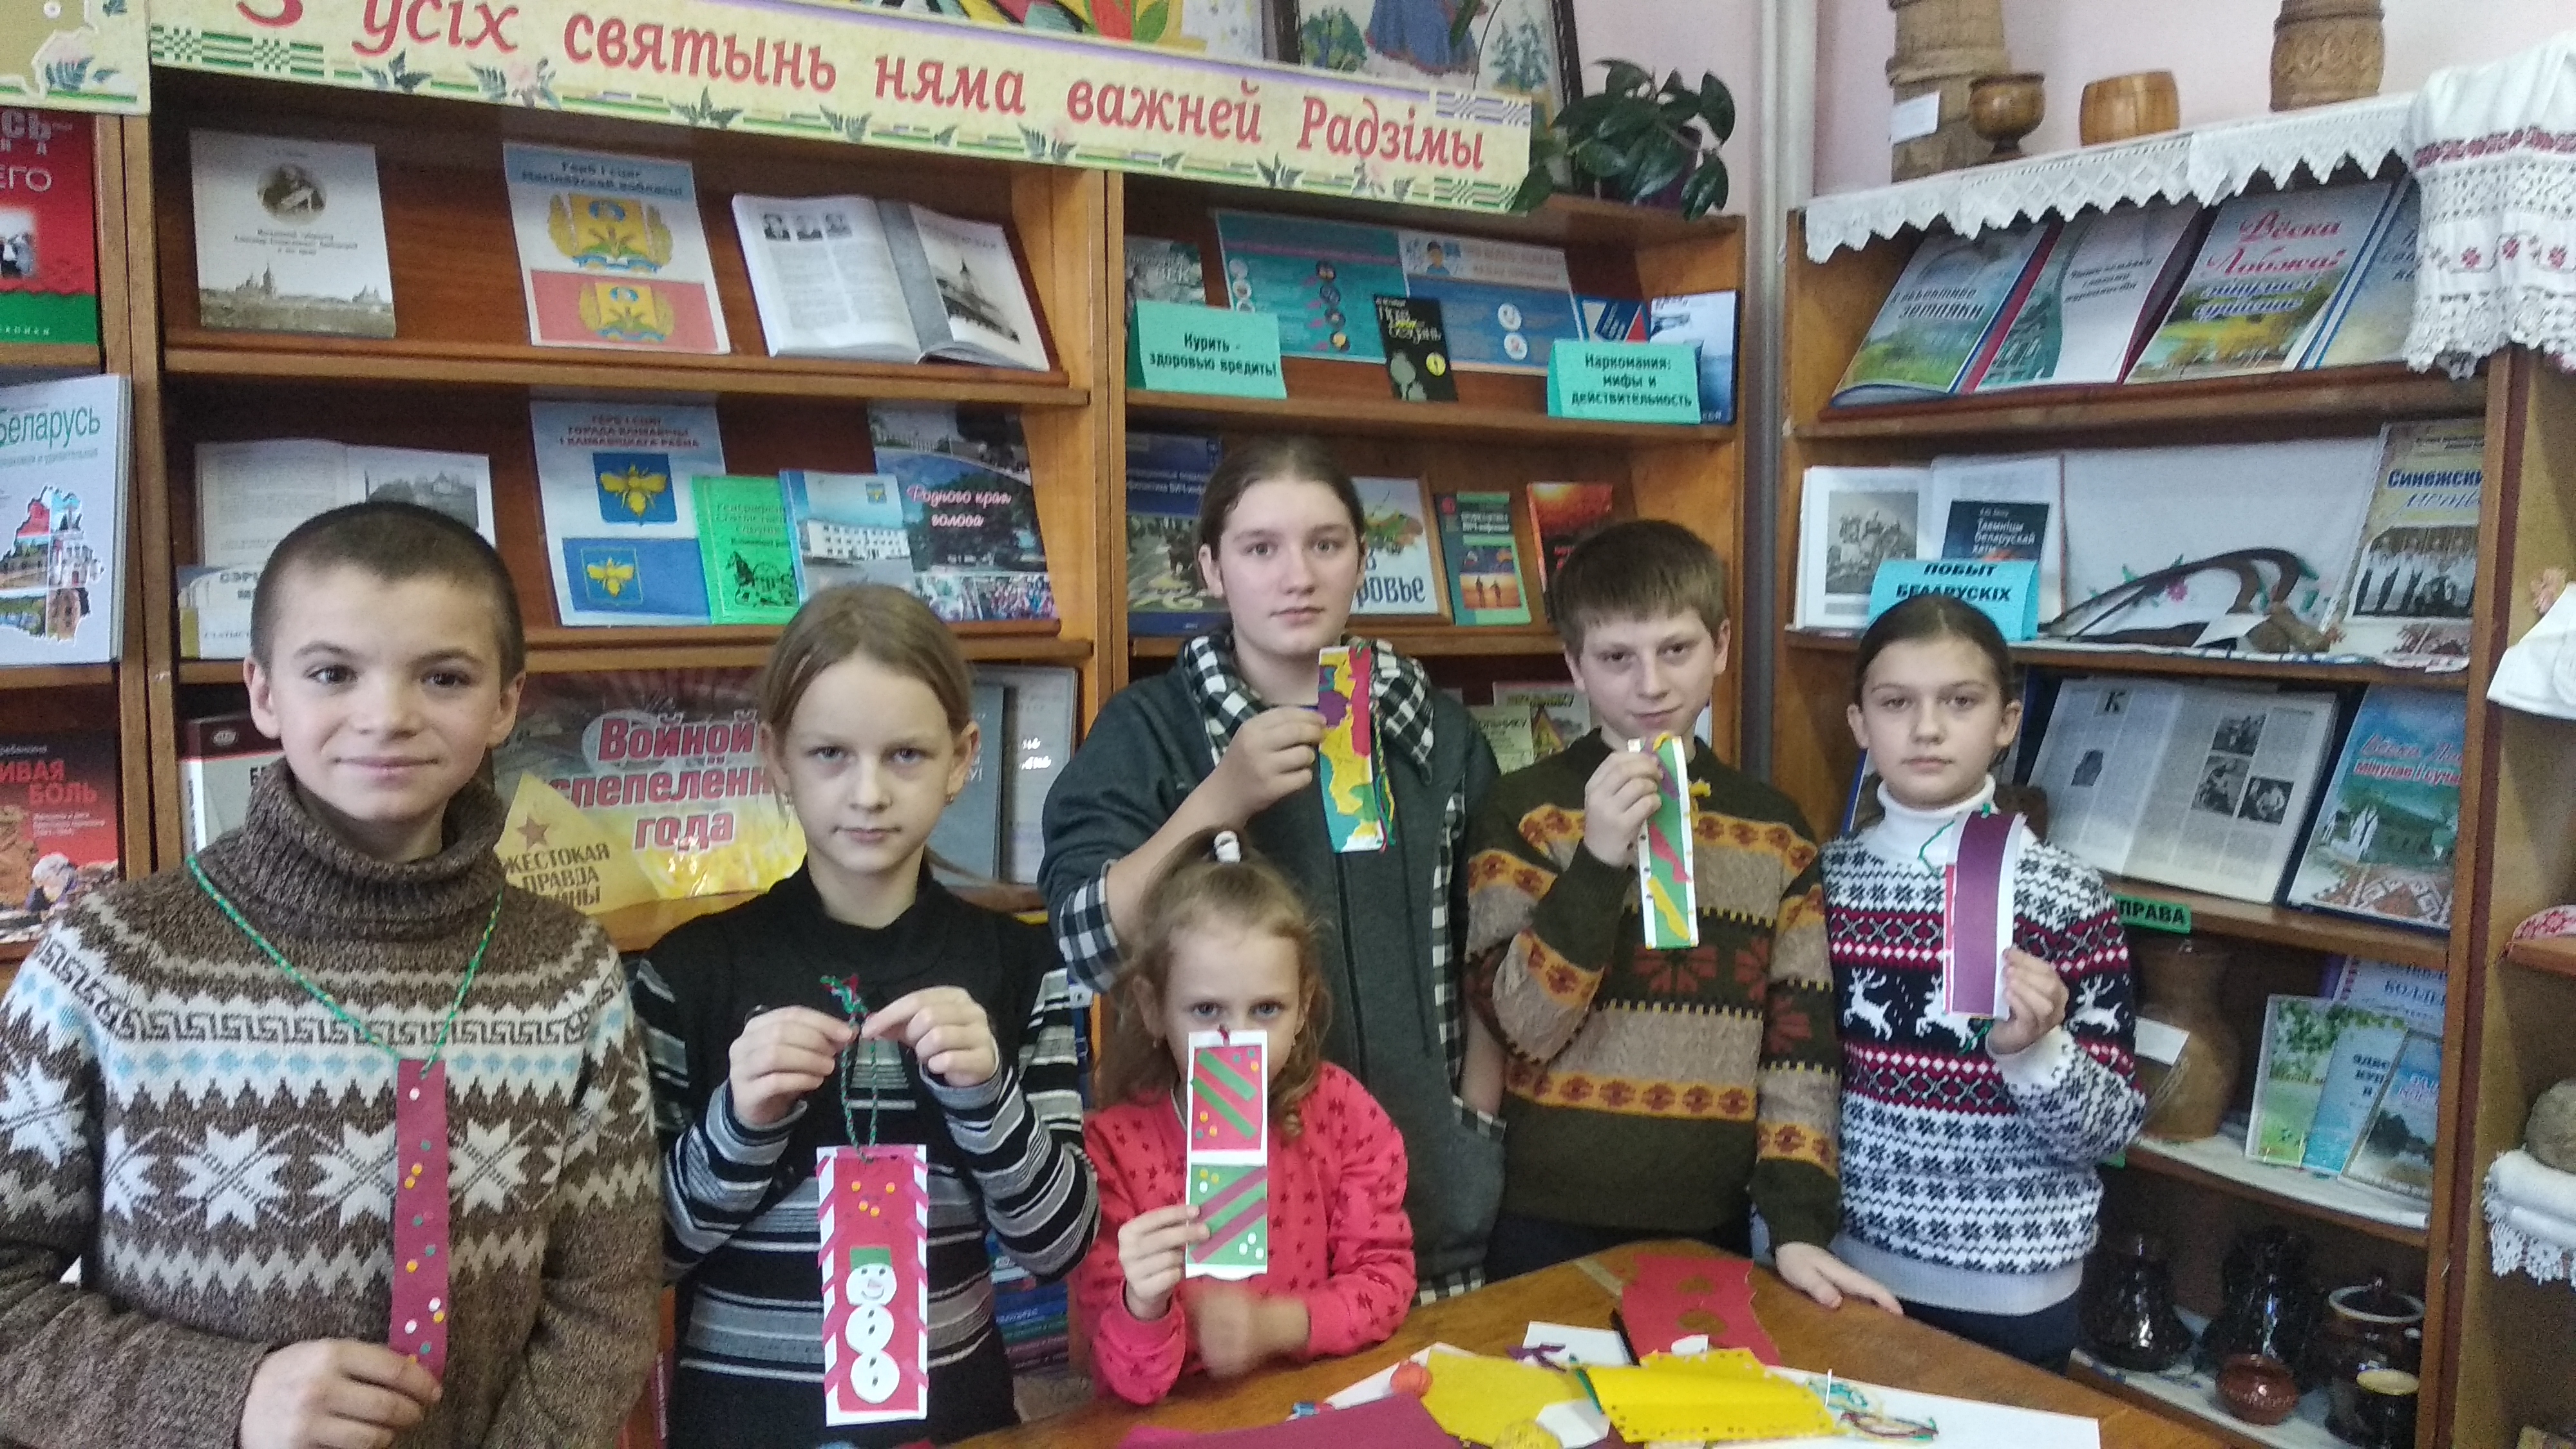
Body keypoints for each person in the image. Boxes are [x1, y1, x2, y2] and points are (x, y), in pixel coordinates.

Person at [0, 501, 660, 1447]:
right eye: (333, 673)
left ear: (506, 703)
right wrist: (227, 1397)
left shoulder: (568, 971)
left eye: (443, 676)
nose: (387, 716)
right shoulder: (112, 958)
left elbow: (607, 1293)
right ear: (264, 693)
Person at [633, 583, 1097, 1447]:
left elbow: (1059, 1244)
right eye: (830, 754)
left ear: (962, 758)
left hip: (956, 1425)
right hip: (739, 1429)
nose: (870, 791)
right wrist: (739, 1125)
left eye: (907, 755)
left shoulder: (1018, 965)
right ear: (776, 757)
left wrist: (988, 1097)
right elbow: (639, 1255)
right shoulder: (689, 973)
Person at [1042, 435, 1504, 1298]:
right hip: (1233, 1238)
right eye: (1261, 548)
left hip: (1431, 1221)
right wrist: (1219, 799)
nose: (1298, 576)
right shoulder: (1149, 730)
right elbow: (1087, 948)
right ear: (1210, 569)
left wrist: (1469, 1126)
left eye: (1325, 544)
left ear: (1361, 558)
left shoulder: (1436, 735)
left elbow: (1495, 953)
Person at [1464, 520, 1893, 1313]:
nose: (1651, 684)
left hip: (1711, 1220)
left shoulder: (1773, 829)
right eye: (1615, 658)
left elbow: (1799, 1046)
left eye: (1676, 649)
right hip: (1543, 1215)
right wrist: (1597, 860)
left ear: (1721, 646)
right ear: (1574, 667)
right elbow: (1521, 1025)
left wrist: (1797, 1224)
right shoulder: (1523, 811)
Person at [1827, 591, 2146, 1370]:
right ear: (1860, 724)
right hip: (1842, 1268)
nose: (1927, 728)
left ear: (2006, 722)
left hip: (2014, 1292)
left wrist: (2035, 1051)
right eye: (1896, 703)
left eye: (1959, 702)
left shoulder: (2066, 895)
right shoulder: (1822, 883)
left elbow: (2111, 1130)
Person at [1077, 829, 1413, 1405]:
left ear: (1303, 1008)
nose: (1236, 1039)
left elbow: (1386, 1282)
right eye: (1207, 1010)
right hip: (1183, 1420)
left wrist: (1272, 1327)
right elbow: (1124, 1379)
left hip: (1315, 1403)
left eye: (1266, 1009)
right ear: (1154, 1008)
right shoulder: (1111, 1153)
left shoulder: (1344, 1115)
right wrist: (1144, 1303)